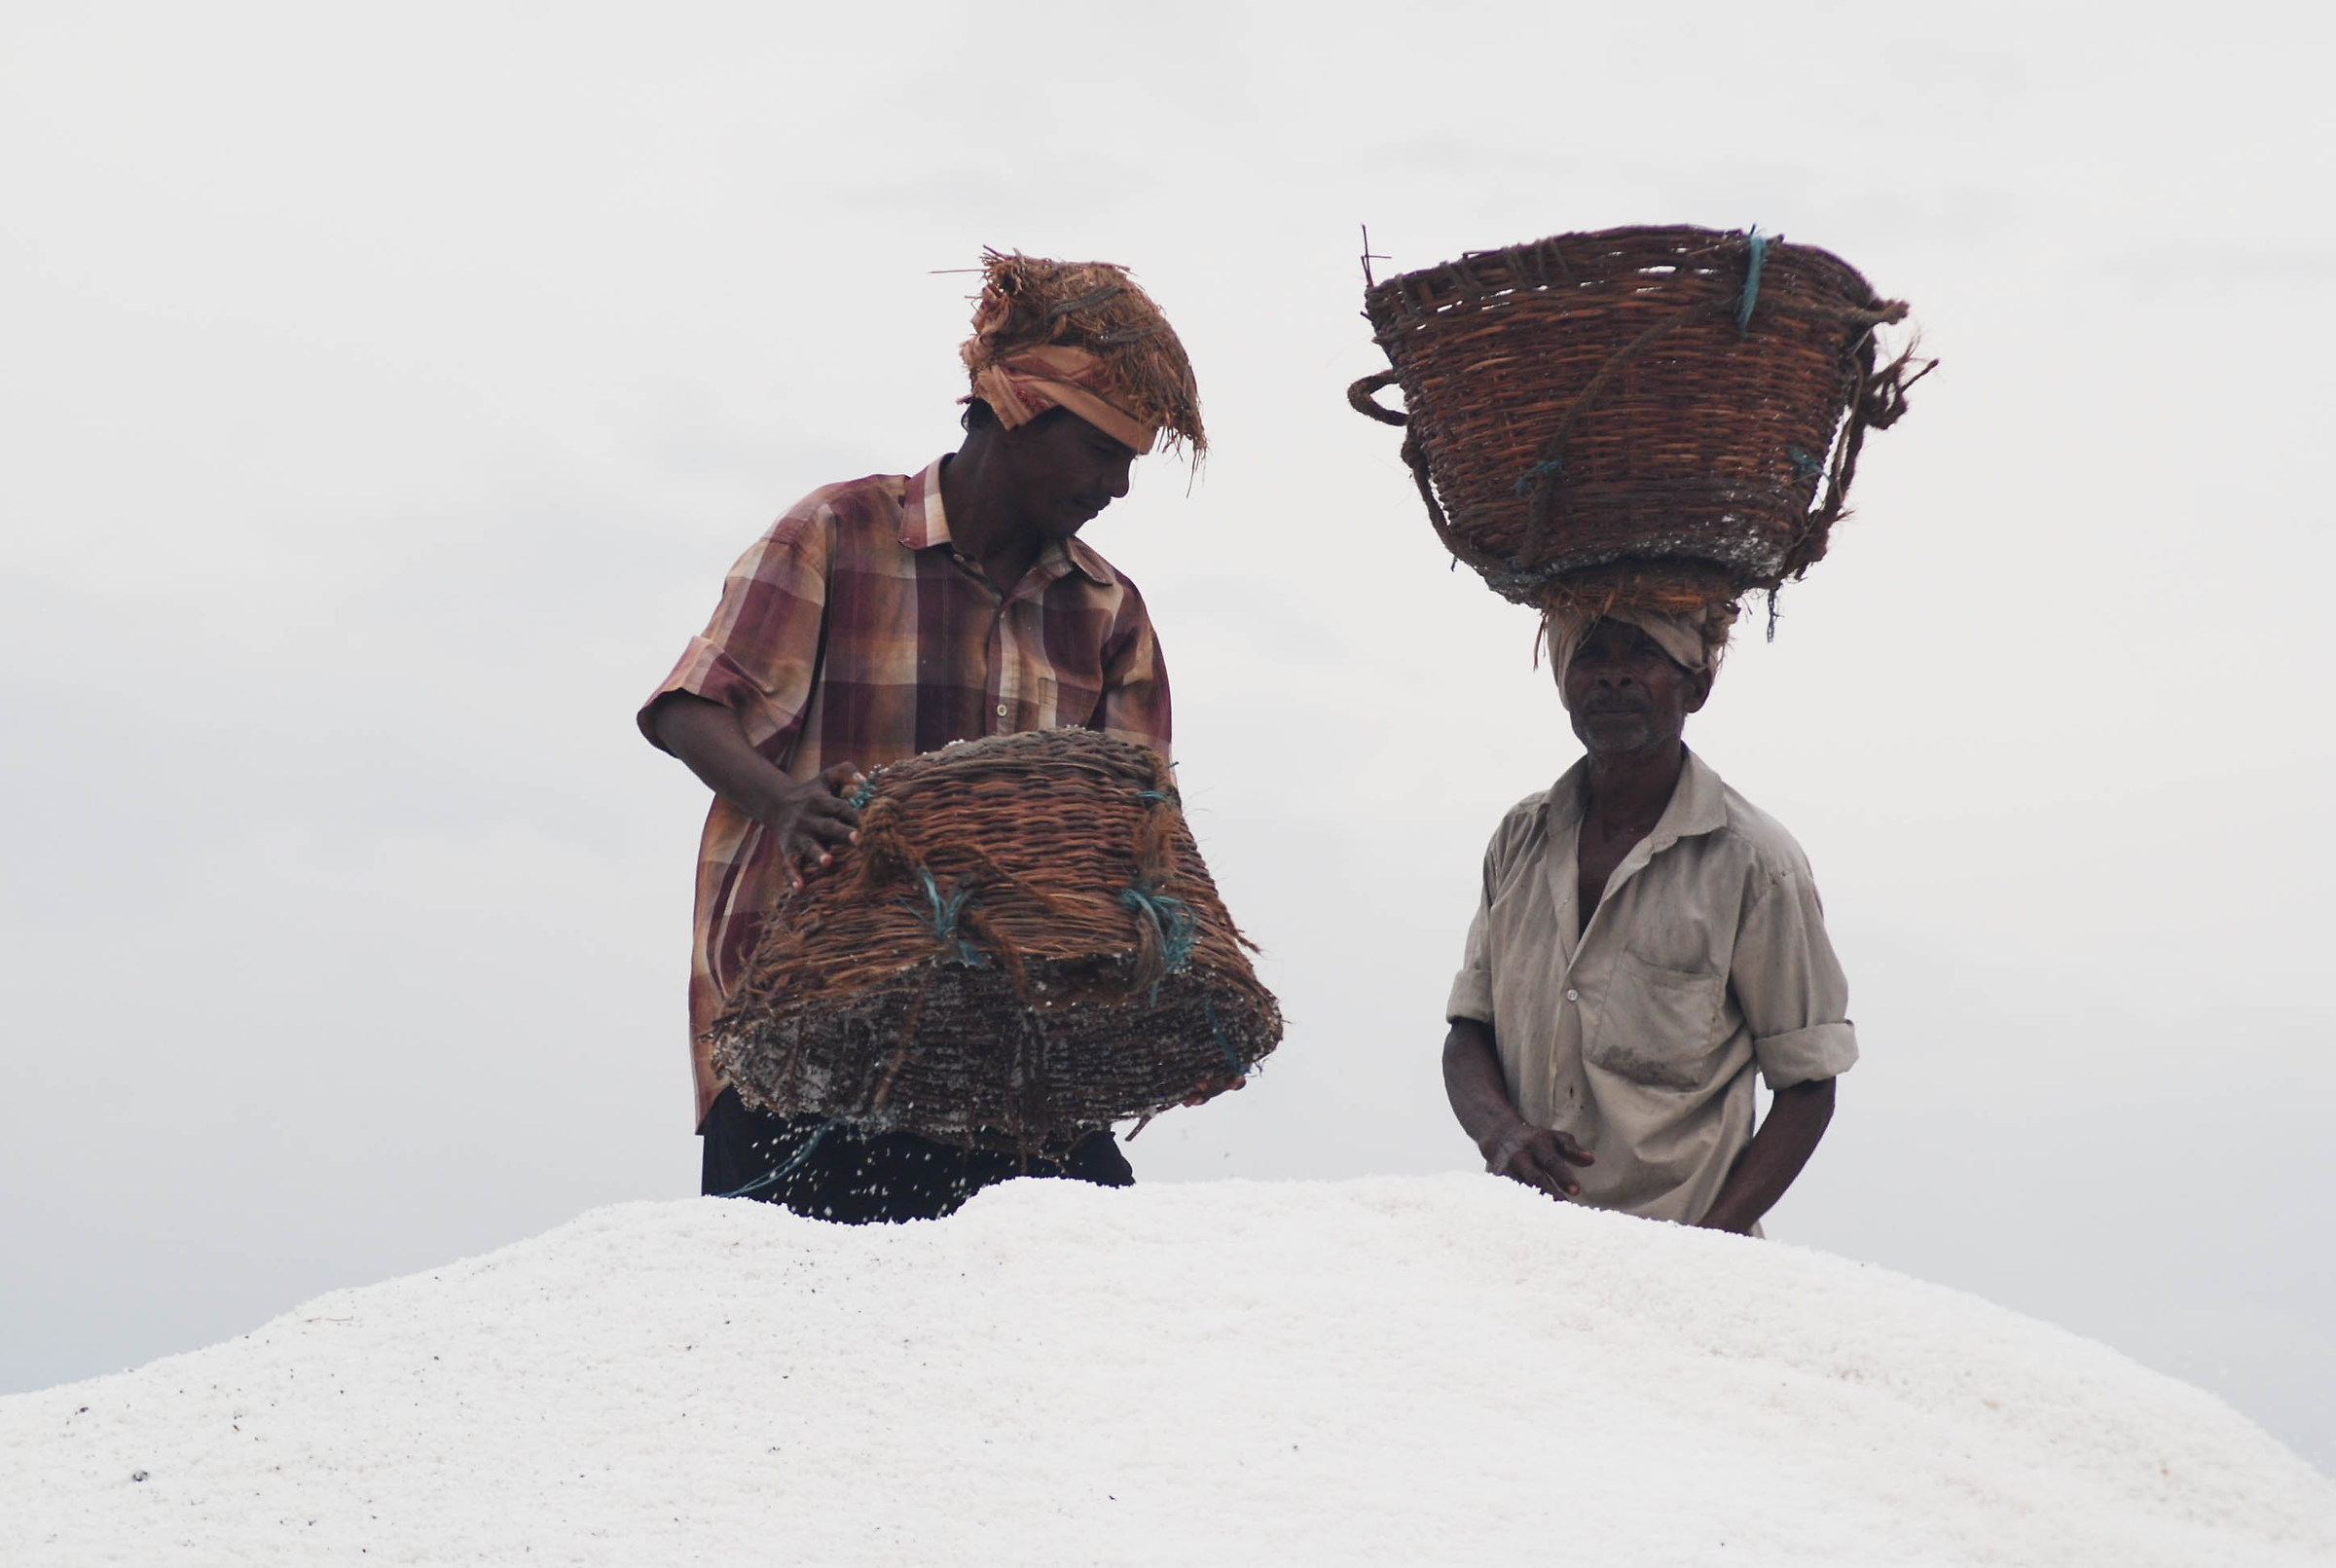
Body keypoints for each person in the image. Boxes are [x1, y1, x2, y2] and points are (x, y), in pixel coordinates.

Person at [639, 250, 1204, 1223]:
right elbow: (690, 710)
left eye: (1130, 461)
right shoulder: (837, 533)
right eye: (1101, 451)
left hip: (1008, 1064)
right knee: (792, 1315)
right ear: (1018, 412)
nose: (1116, 485)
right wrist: (784, 804)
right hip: (799, 1044)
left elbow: (1139, 835)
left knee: (1084, 1285)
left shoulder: (1109, 612)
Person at [1441, 599, 1857, 1233]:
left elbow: (1808, 1085)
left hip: (1681, 1262)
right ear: (1564, 682)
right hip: (1520, 1252)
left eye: (1642, 653)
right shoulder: (1520, 840)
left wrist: (1707, 1246)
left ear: (1697, 686)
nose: (1614, 675)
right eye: (1592, 654)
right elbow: (1468, 1032)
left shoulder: (1756, 865)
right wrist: (1501, 1133)